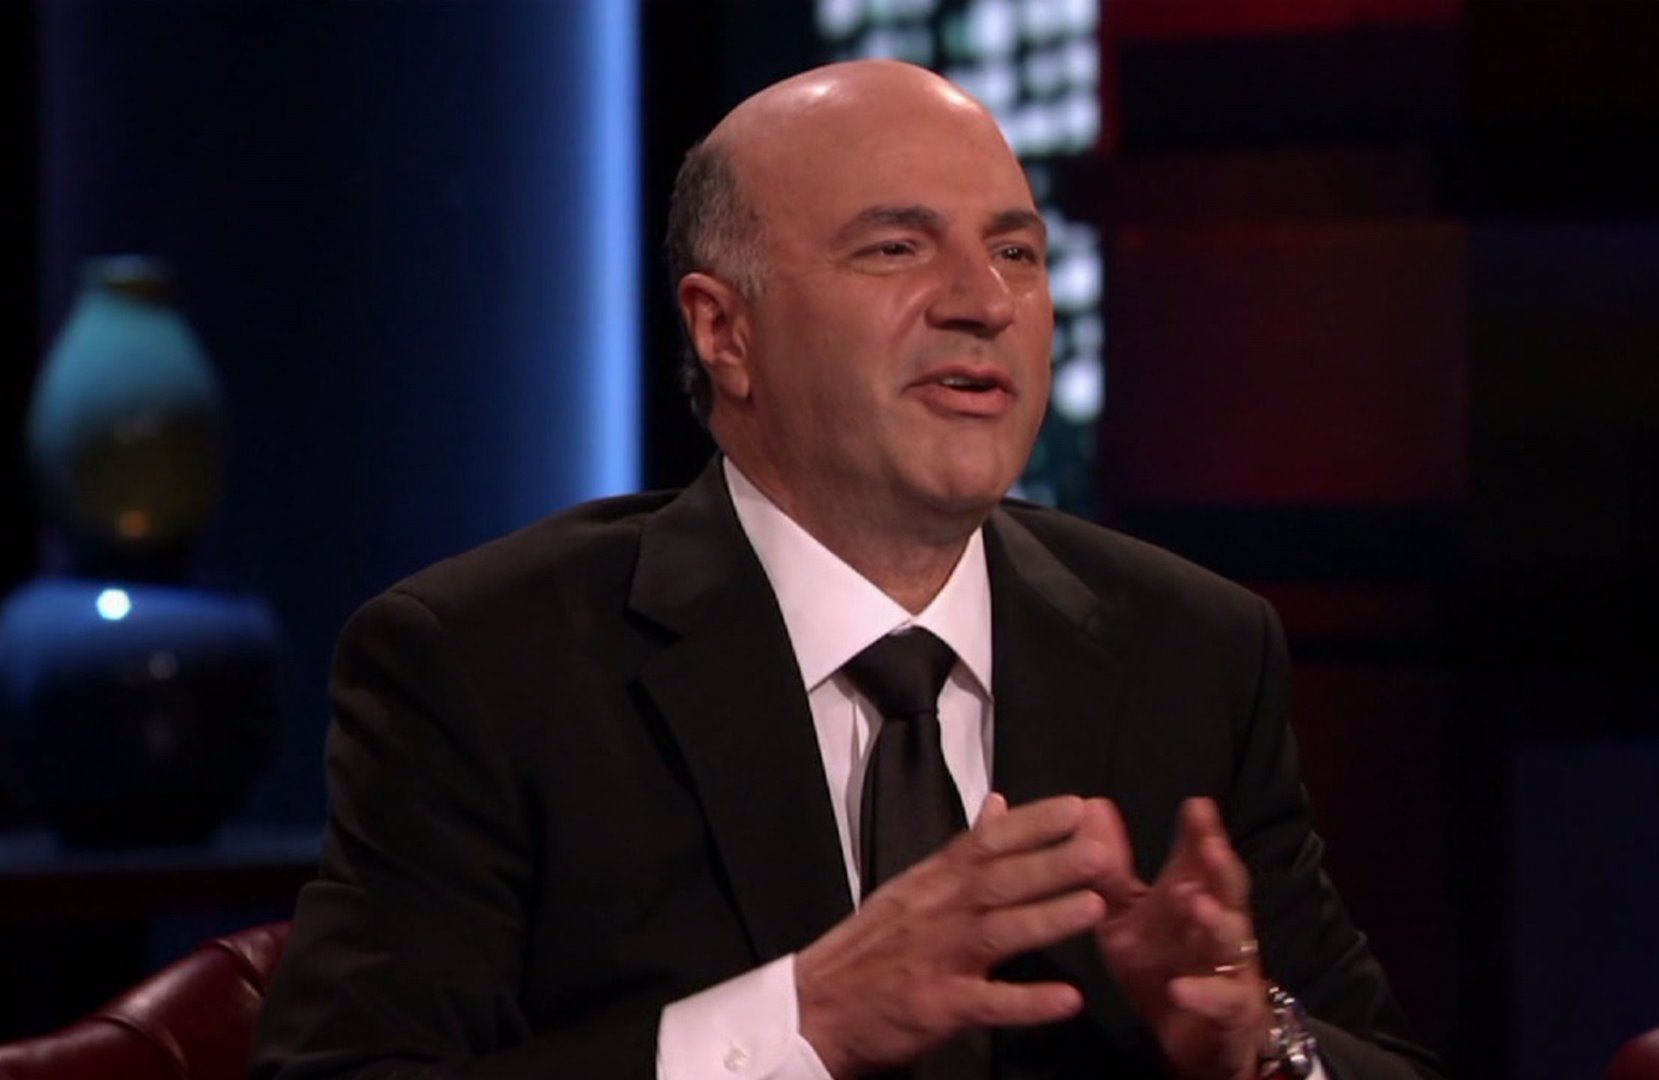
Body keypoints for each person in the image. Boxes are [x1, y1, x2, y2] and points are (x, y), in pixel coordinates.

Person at [250, 60, 1442, 1079]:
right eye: (896, 247)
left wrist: (1254, 1047)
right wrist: (802, 1022)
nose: (983, 302)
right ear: (724, 331)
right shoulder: (489, 665)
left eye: (1016, 252)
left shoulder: (1191, 650)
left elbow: (1369, 1053)